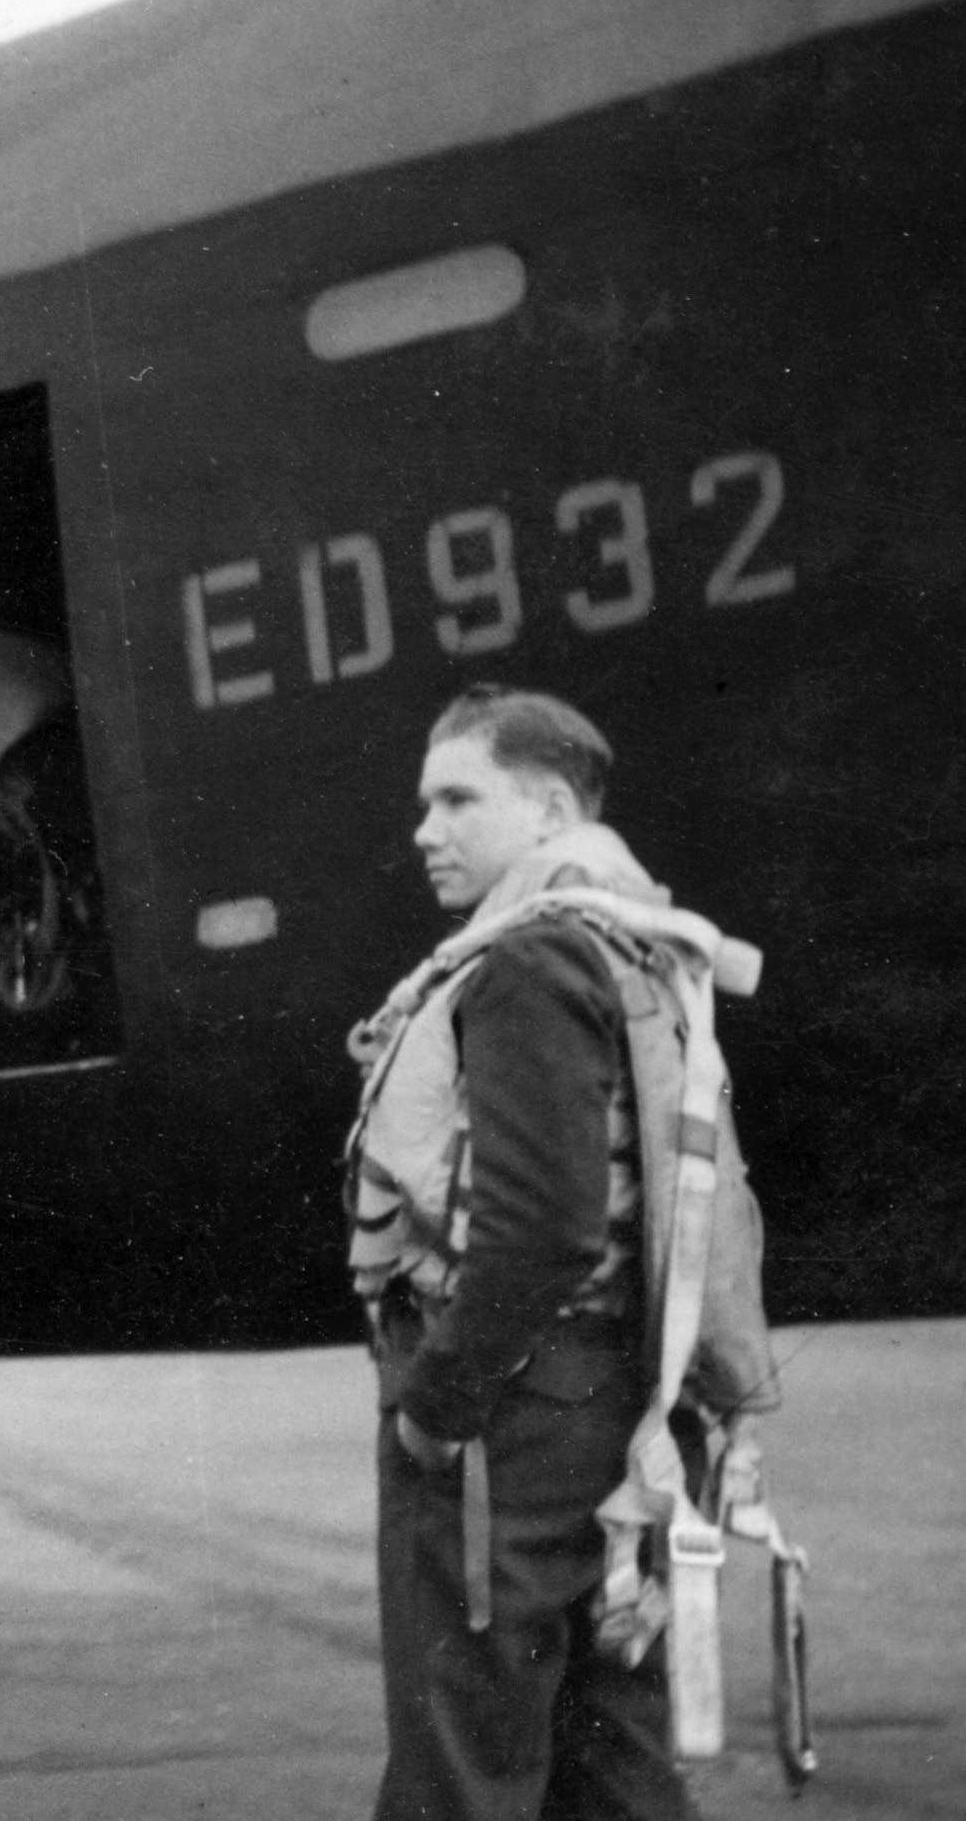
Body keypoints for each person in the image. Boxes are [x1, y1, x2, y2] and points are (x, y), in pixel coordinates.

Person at [347, 686, 779, 1821]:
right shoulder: (637, 944)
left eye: (456, 798)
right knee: (612, 1765)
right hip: (624, 1403)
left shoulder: (530, 960)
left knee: (463, 1768)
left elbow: (541, 1228)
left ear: (545, 809)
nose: (422, 829)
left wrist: (435, 1405)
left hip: (515, 1424)